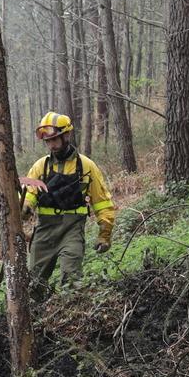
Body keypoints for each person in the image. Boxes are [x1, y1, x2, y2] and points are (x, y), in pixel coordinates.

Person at [20, 111, 114, 300]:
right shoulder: (40, 166)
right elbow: (29, 191)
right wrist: (26, 206)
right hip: (44, 232)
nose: (51, 145)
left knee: (71, 280)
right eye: (48, 141)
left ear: (66, 136)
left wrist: (105, 234)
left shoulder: (86, 166)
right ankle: (37, 321)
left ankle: (71, 321)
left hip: (72, 230)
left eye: (55, 139)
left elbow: (102, 201)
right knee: (34, 285)